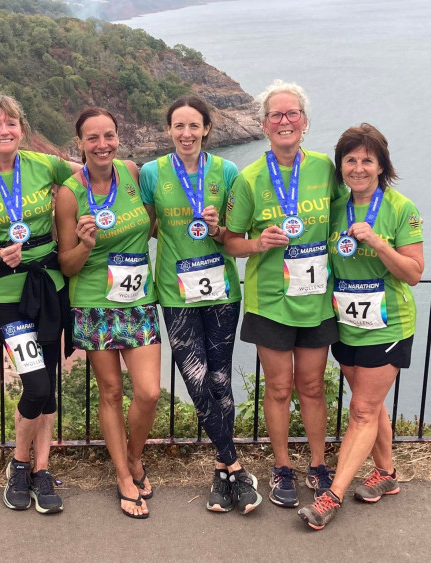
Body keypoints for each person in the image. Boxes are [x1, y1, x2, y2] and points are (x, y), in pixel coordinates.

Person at [0, 94, 79, 515]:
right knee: (36, 385)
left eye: (11, 123)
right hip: (6, 297)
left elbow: (94, 176)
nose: (4, 130)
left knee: (49, 388)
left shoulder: (45, 165)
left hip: (49, 288)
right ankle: (19, 464)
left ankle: (42, 470)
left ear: (22, 129)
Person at [224, 79, 346, 507]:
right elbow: (231, 241)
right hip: (270, 300)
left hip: (316, 299)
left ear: (305, 122)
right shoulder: (248, 178)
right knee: (278, 388)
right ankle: (281, 468)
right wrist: (258, 244)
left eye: (292, 113)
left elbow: (341, 221)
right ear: (263, 125)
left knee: (312, 386)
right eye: (275, 114)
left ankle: (317, 465)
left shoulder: (326, 170)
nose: (284, 120)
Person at [298, 123, 424, 530]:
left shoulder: (401, 208)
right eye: (350, 160)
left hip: (388, 326)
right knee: (372, 404)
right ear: (341, 167)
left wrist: (380, 243)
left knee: (363, 409)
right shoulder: (335, 207)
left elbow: (414, 273)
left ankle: (330, 498)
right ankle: (386, 474)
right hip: (346, 324)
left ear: (381, 165)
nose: (358, 167)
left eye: (367, 160)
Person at [139, 97, 261, 515]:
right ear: (169, 130)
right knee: (194, 378)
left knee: (221, 378)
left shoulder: (226, 171)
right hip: (176, 292)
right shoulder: (152, 173)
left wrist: (217, 228)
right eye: (178, 126)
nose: (186, 133)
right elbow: (148, 226)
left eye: (194, 126)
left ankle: (222, 469)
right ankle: (235, 466)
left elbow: (234, 233)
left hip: (222, 290)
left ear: (208, 129)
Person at [56, 108, 161, 519]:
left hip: (138, 301)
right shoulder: (70, 193)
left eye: (109, 135)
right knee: (112, 392)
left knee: (149, 391)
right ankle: (122, 474)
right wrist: (84, 244)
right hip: (95, 304)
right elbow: (66, 264)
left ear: (118, 138)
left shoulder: (133, 173)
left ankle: (134, 456)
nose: (103, 144)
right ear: (79, 144)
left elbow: (153, 224)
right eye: (93, 138)